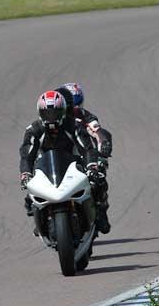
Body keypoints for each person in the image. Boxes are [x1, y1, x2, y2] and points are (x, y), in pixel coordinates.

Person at [19, 90, 110, 234]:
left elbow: (87, 148)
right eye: (47, 114)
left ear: (63, 111)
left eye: (54, 113)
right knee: (30, 197)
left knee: (97, 181)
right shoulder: (34, 130)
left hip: (74, 164)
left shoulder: (74, 125)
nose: (51, 118)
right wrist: (25, 174)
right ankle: (41, 218)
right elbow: (27, 155)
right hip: (46, 167)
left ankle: (99, 212)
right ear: (40, 113)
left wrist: (92, 165)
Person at [56, 83, 112, 233]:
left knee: (99, 178)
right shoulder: (52, 117)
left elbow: (98, 132)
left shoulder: (85, 116)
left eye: (74, 105)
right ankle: (41, 212)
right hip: (60, 158)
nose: (70, 109)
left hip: (84, 155)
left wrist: (103, 148)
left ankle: (101, 210)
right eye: (68, 105)